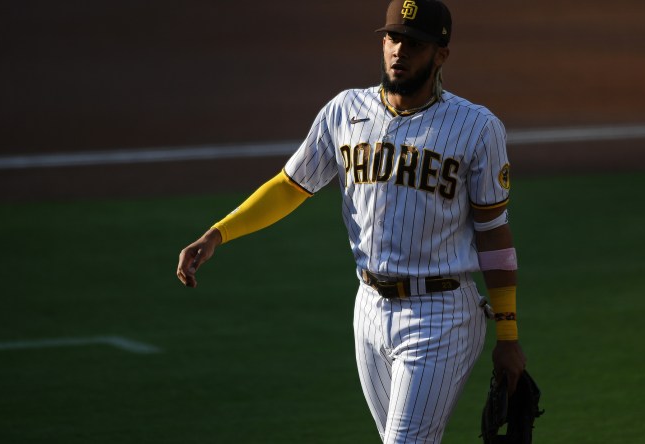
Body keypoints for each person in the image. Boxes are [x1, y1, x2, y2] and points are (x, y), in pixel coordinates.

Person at [176, 1, 526, 442]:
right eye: (392, 38)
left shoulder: (476, 127)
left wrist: (508, 335)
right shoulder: (345, 111)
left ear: (440, 55)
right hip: (369, 309)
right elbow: (290, 186)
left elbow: (494, 234)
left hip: (441, 315)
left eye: (414, 44)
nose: (399, 51)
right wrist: (218, 233)